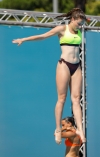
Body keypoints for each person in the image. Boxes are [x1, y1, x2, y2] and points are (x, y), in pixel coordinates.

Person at [12, 8, 86, 144]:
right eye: (78, 23)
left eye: (81, 24)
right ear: (73, 19)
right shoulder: (62, 29)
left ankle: (80, 129)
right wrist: (24, 39)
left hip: (77, 67)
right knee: (62, 99)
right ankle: (58, 129)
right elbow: (43, 36)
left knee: (76, 99)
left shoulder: (80, 31)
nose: (80, 26)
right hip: (64, 65)